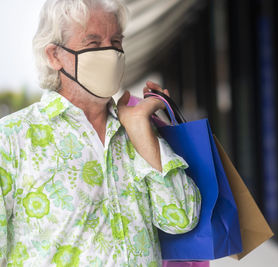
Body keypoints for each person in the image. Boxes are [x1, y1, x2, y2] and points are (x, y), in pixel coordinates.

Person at [0, 0, 201, 266]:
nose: (109, 53)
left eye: (116, 42)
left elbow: (183, 219)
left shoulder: (138, 129)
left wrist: (141, 128)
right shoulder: (12, 138)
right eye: (93, 44)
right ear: (54, 55)